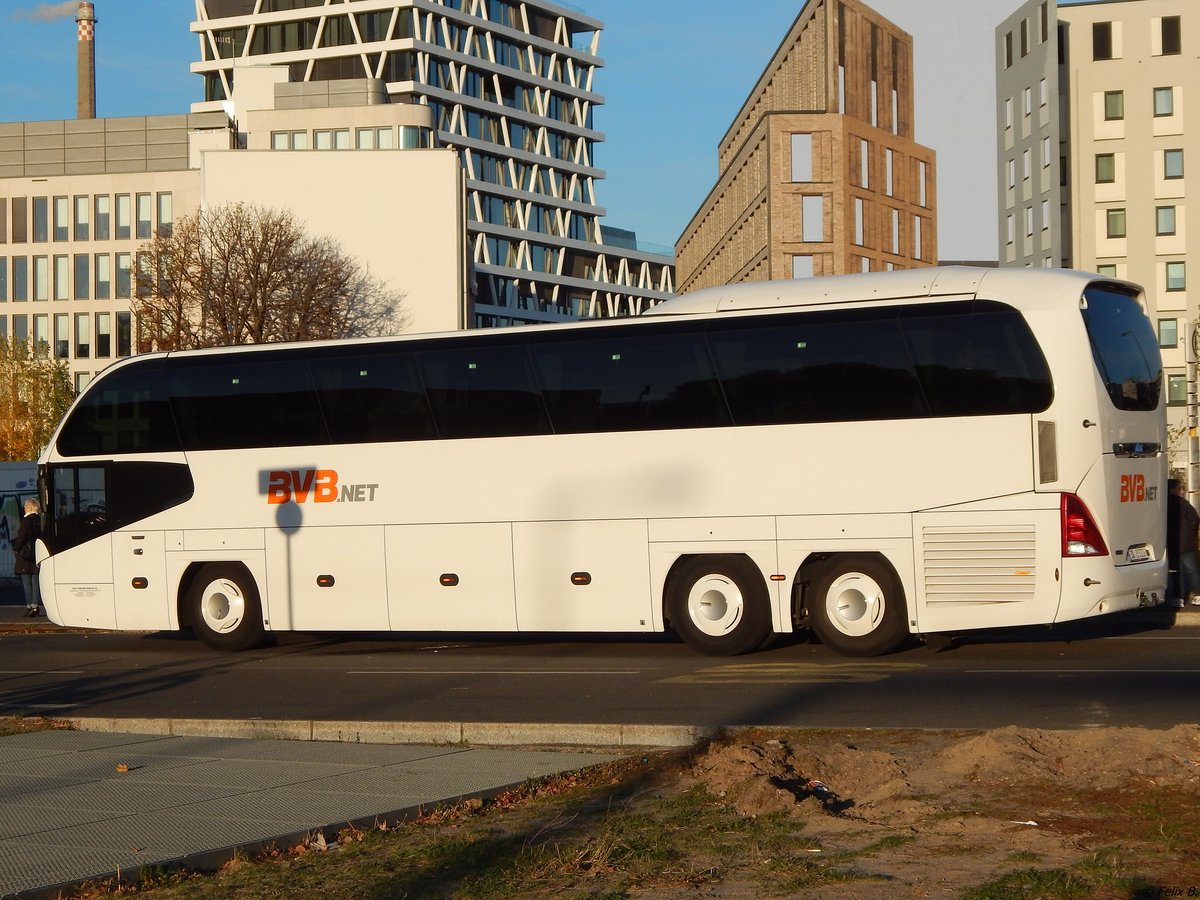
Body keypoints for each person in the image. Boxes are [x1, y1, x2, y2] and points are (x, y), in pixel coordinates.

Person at [1166, 479, 1200, 608]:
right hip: (1186, 542)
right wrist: (1191, 533)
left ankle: (1180, 596)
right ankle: (1198, 593)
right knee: (1192, 570)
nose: (1182, 491)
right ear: (1172, 489)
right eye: (1180, 488)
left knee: (1177, 571)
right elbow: (1194, 518)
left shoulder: (1163, 504)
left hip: (1172, 543)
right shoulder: (1183, 503)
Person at [12, 497, 41, 617]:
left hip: (25, 555)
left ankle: (29, 607)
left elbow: (21, 537)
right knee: (35, 581)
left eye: (25, 506)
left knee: (26, 582)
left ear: (29, 507)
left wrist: (15, 548)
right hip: (37, 553)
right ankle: (35, 605)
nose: (24, 508)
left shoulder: (26, 521)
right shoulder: (40, 520)